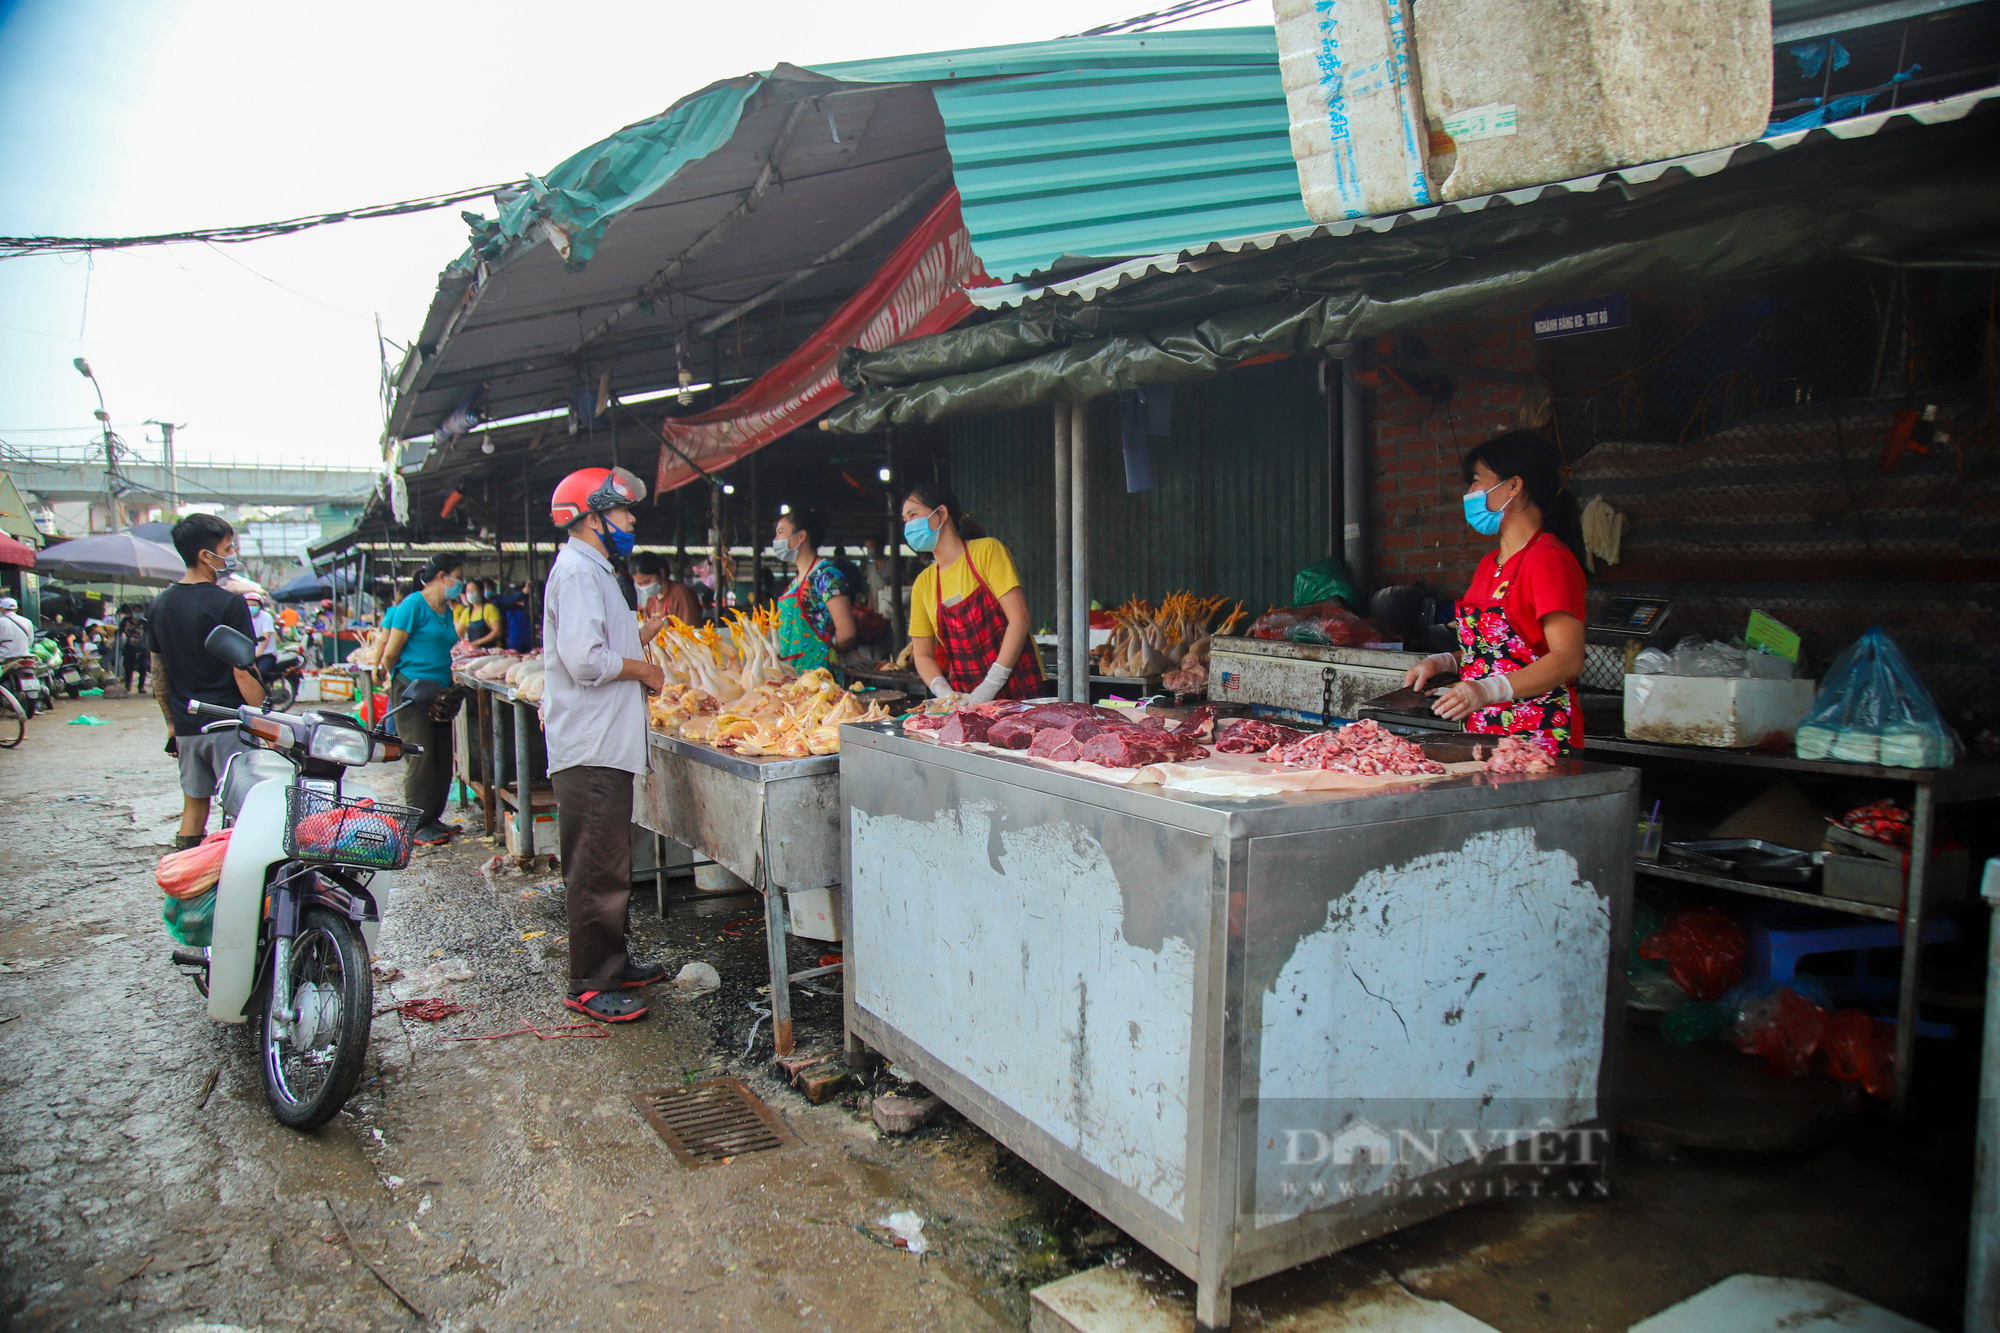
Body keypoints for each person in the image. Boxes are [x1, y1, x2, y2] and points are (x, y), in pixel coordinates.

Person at [543, 466, 667, 1022]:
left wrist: (642, 633)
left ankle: (612, 962)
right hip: (590, 745)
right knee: (596, 866)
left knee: (609, 860)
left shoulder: (594, 570)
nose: (630, 518)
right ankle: (590, 984)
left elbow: (598, 641)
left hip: (604, 743)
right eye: (621, 511)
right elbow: (584, 660)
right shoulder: (576, 573)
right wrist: (645, 669)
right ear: (592, 518)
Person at [1403, 429, 1588, 759]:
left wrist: (1488, 690)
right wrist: (1445, 662)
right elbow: (1493, 655)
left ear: (1514, 486)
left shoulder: (1548, 559)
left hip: (1540, 744)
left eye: (1476, 481)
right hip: (1486, 738)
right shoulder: (1490, 564)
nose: (1470, 492)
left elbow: (1567, 658)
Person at [149, 514, 266, 849]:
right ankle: (239, 889)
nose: (231, 554)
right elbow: (242, 670)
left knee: (194, 807)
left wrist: (172, 725)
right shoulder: (229, 603)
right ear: (205, 555)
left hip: (187, 727)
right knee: (245, 809)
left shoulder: (159, 605)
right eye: (227, 548)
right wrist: (260, 721)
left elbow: (159, 674)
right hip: (228, 724)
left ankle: (187, 892)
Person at [902, 482, 1045, 704]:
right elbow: (922, 655)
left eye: (913, 515)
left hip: (1020, 687)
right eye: (905, 520)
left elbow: (1020, 619)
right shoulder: (924, 583)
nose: (908, 525)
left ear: (941, 513)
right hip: (965, 697)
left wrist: (989, 687)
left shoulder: (987, 551)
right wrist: (944, 693)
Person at [376, 554, 465, 845]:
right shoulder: (413, 605)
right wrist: (401, 682)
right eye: (457, 575)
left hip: (440, 692)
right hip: (412, 689)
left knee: (441, 757)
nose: (460, 583)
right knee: (420, 755)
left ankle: (433, 819)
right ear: (442, 576)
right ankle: (416, 825)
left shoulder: (446, 610)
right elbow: (391, 653)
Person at [770, 508, 858, 676]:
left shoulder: (826, 576)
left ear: (801, 536)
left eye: (780, 532)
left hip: (819, 677)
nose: (775, 540)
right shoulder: (793, 584)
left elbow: (847, 632)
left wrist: (824, 655)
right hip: (791, 676)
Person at [631, 552, 701, 627]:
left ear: (661, 572)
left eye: (647, 581)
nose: (645, 587)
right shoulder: (651, 600)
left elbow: (691, 629)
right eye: (640, 584)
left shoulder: (682, 595)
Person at [455, 577, 502, 650]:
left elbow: (497, 632)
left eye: (473, 590)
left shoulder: (490, 609)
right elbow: (458, 633)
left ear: (481, 592)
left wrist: (477, 643)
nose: (470, 593)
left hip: (491, 651)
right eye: (468, 591)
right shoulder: (466, 612)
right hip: (474, 651)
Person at [118, 603, 150, 693]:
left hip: (142, 647)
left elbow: (147, 634)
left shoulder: (145, 622)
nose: (138, 613)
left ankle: (141, 687)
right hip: (129, 646)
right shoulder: (126, 620)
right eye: (136, 611)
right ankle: (128, 685)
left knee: (143, 667)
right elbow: (120, 631)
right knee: (129, 666)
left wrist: (142, 641)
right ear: (132, 612)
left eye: (140, 612)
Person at [0, 596, 34, 661]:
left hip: (4, 657)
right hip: (24, 656)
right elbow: (30, 642)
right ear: (16, 609)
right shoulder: (28, 621)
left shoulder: (1, 621)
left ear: (2, 608)